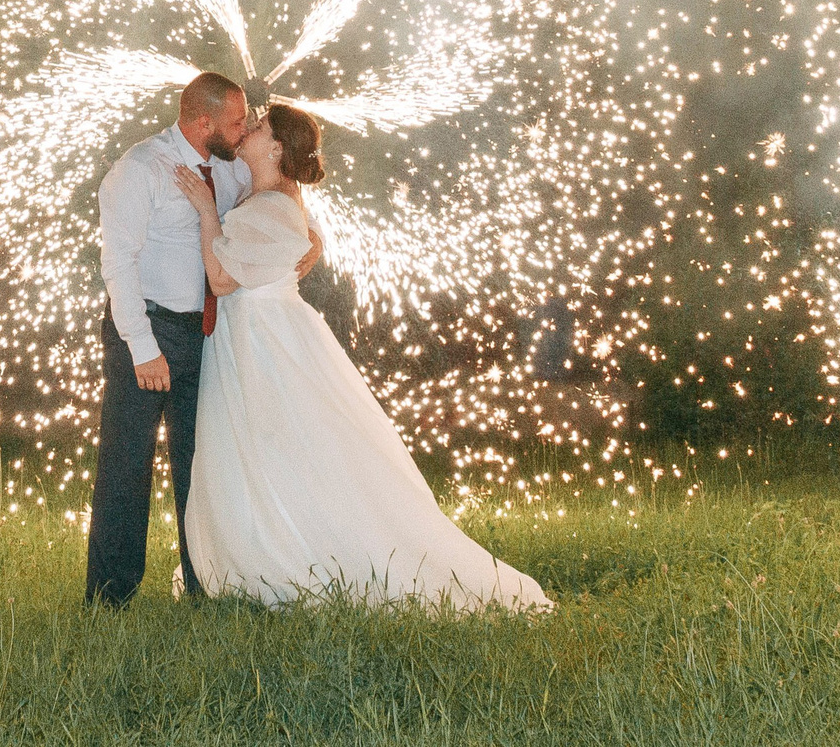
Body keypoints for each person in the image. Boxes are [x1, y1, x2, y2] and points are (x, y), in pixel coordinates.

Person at [175, 101, 550, 612]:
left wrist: (204, 212)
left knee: (276, 445)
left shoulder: (272, 205)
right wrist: (312, 238)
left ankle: (290, 555)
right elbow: (282, 234)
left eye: (259, 126)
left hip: (264, 341)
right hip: (253, 336)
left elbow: (222, 277)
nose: (249, 130)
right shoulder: (265, 195)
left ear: (277, 147)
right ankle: (262, 547)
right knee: (264, 449)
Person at [84, 71, 318, 606]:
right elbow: (118, 264)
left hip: (206, 335)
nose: (245, 131)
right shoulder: (141, 168)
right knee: (126, 465)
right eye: (237, 122)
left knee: (200, 467)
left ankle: (202, 585)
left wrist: (309, 236)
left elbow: (267, 208)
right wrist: (143, 349)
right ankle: (109, 596)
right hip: (146, 328)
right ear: (203, 122)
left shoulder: (230, 168)